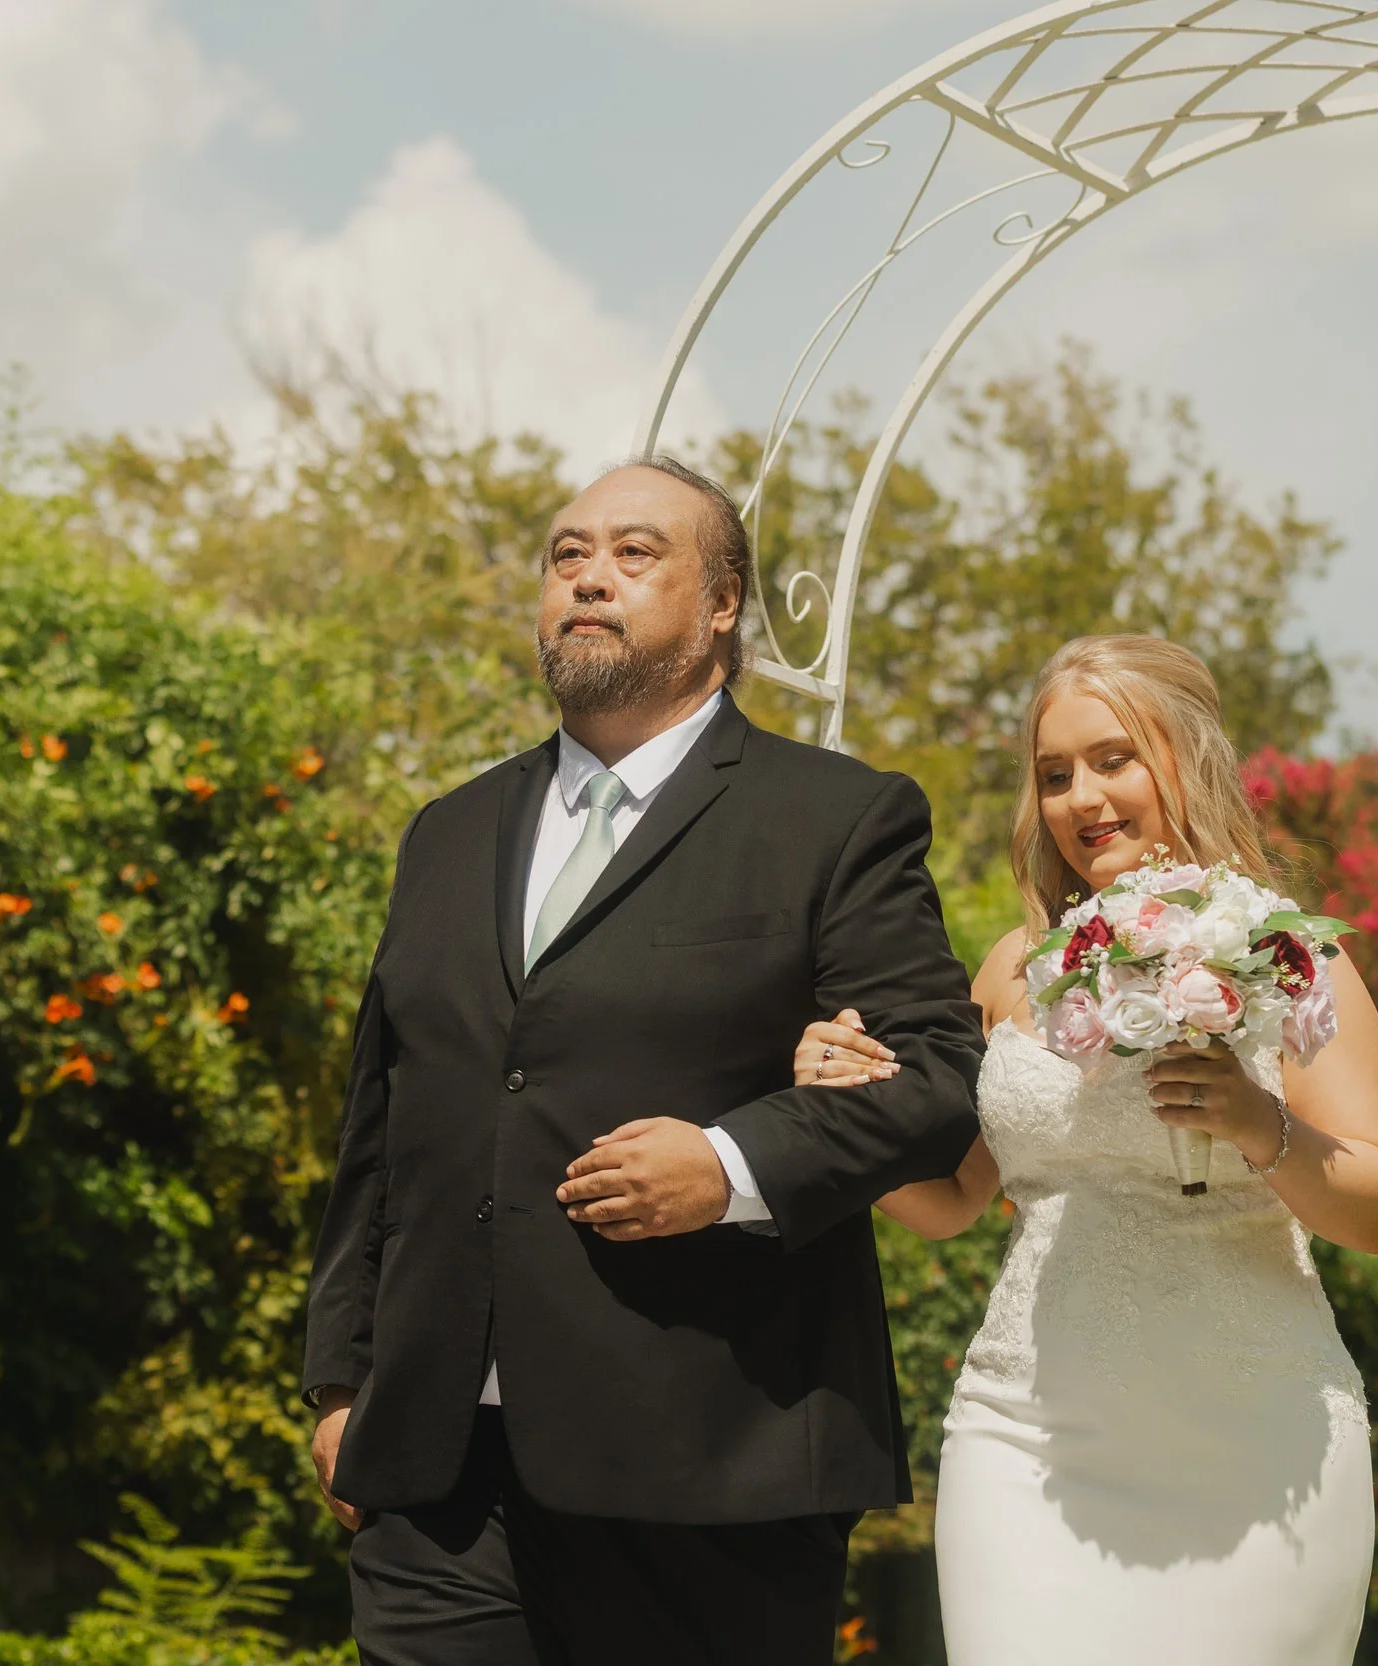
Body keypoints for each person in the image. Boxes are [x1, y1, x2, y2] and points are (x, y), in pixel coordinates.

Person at [303, 456, 985, 1666]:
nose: (588, 579)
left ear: (722, 604)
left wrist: (728, 1164)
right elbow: (383, 1125)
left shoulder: (836, 817)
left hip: (713, 1466)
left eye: (632, 553)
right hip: (438, 1482)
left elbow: (935, 1081)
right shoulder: (446, 834)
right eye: (568, 555)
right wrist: (340, 1383)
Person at [795, 633, 1378, 1665]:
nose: (1082, 797)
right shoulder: (1012, 969)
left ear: (1188, 760)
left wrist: (1261, 1126)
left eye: (1113, 758)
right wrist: (847, 1108)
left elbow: (1376, 1210)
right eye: (1055, 774)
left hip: (1257, 1441)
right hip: (1027, 1440)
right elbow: (950, 1201)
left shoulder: (1293, 959)